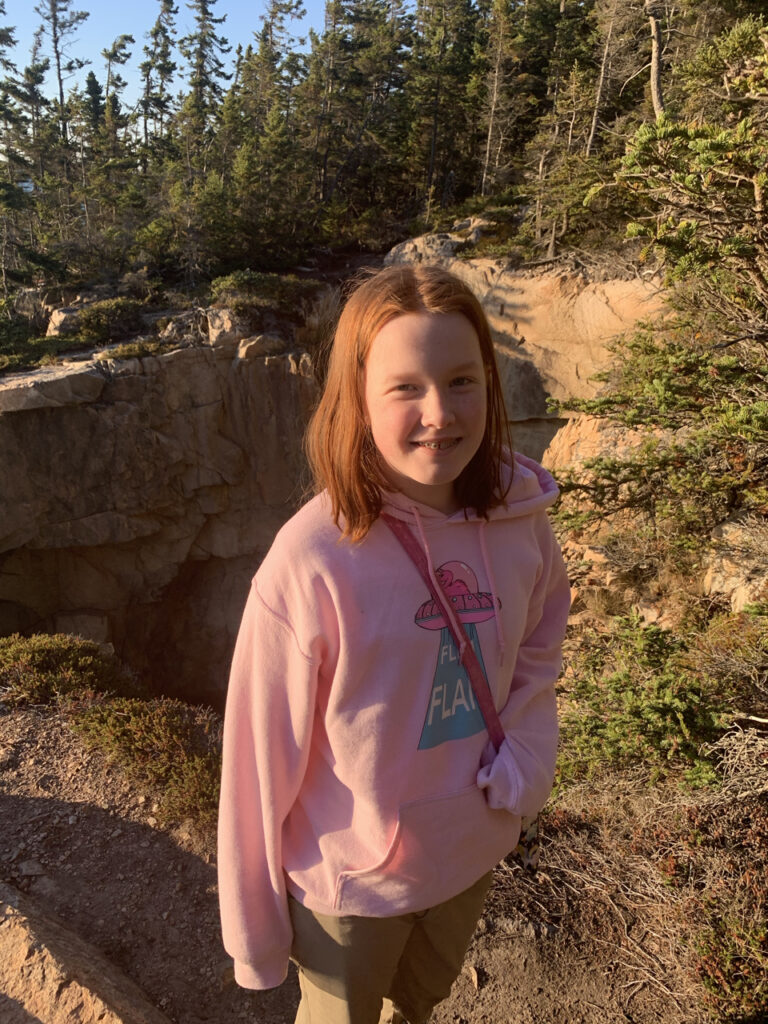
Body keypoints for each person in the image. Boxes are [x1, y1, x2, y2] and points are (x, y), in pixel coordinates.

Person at [217, 264, 571, 1024]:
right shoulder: (312, 559)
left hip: (471, 848)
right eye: (405, 386)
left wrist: (530, 756)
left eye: (462, 380)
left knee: (422, 1004)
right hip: (351, 884)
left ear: (489, 385)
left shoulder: (521, 522)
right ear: (358, 396)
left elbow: (540, 648)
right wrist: (253, 935)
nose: (439, 413)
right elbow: (257, 756)